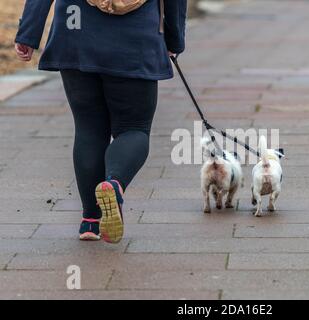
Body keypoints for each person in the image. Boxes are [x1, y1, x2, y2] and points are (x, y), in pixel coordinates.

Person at [15, 0, 187, 243]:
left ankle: (90, 221)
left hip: (75, 35)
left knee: (88, 129)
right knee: (134, 128)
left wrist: (28, 33)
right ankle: (114, 184)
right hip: (135, 39)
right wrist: (174, 38)